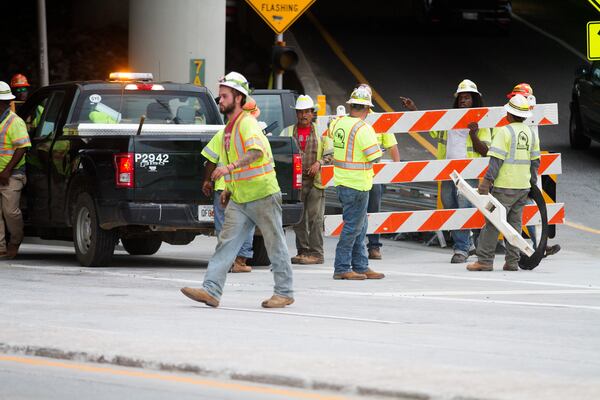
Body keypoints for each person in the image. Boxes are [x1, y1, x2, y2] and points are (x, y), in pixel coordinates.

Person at [180, 72, 294, 308]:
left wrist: (229, 168)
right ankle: (211, 291)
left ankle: (284, 292)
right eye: (220, 96)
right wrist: (229, 188)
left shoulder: (247, 123)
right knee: (226, 244)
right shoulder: (229, 129)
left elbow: (256, 152)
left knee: (275, 244)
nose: (219, 101)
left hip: (262, 194)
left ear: (239, 98)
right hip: (240, 198)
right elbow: (237, 160)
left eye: (224, 96)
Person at [401, 79, 491, 263]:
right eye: (461, 98)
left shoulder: (482, 121)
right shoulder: (448, 118)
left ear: (475, 100)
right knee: (450, 207)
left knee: (463, 208)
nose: (463, 101)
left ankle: (461, 249)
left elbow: (485, 151)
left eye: (467, 98)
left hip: (468, 172)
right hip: (447, 172)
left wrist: (473, 134)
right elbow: (429, 125)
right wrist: (413, 108)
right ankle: (469, 243)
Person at [467, 94, 540, 272]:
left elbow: (496, 160)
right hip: (523, 187)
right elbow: (535, 162)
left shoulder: (504, 132)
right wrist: (532, 184)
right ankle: (512, 262)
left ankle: (484, 260)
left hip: (504, 186)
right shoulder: (531, 133)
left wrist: (486, 182)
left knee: (493, 223)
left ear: (508, 114)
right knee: (515, 225)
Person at [329, 85, 385, 280]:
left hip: (342, 181)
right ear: (367, 109)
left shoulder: (338, 123)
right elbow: (375, 156)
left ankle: (361, 266)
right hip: (357, 184)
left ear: (351, 105)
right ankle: (342, 267)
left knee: (359, 226)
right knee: (353, 227)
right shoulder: (364, 128)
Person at [505, 83, 561, 258]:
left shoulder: (522, 116)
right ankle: (532, 246)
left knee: (525, 207)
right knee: (523, 207)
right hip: (519, 171)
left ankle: (534, 246)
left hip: (519, 171)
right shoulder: (521, 115)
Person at [281, 95, 333, 265]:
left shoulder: (321, 132)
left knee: (315, 218)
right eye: (300, 112)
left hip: (315, 181)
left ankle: (316, 253)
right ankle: (303, 251)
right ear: (296, 113)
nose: (303, 115)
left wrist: (319, 163)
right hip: (295, 182)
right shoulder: (287, 132)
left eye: (306, 112)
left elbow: (331, 154)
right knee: (299, 218)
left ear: (312, 113)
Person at [355, 85, 401, 261]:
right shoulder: (348, 119)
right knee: (356, 211)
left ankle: (374, 247)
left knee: (373, 210)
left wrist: (398, 172)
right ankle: (356, 245)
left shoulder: (379, 120)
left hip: (375, 174)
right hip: (354, 174)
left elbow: (392, 146)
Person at [0, 81, 32, 259]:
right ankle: (1, 247)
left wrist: (6, 171)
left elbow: (22, 148)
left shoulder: (15, 121)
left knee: (10, 211)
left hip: (12, 174)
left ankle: (16, 240)